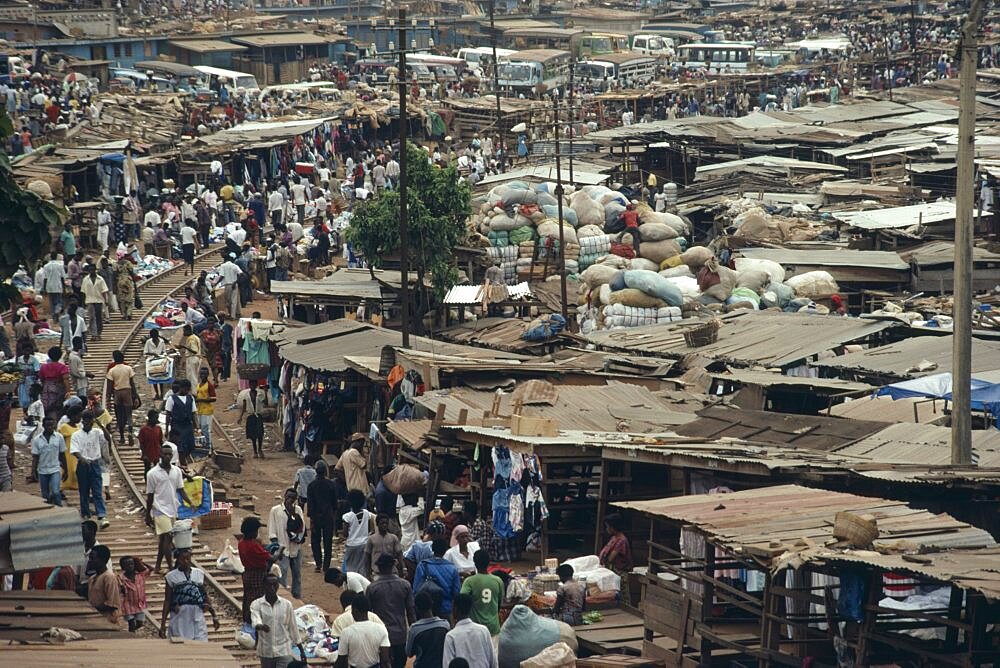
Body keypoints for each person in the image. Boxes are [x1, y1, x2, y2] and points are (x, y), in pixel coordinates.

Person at [146, 444, 191, 572]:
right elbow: (150, 495)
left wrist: (190, 502)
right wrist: (148, 514)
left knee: (164, 540)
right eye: (165, 454)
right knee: (167, 536)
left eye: (169, 454)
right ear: (160, 455)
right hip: (159, 508)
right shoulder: (152, 474)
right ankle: (171, 567)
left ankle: (158, 565)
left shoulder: (176, 471)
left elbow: (180, 489)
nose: (167, 456)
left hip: (172, 508)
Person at [366, 553, 416, 668]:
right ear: (393, 565)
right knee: (399, 663)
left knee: (384, 663)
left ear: (378, 568)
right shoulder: (405, 585)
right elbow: (411, 612)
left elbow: (368, 614)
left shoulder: (372, 588)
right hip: (400, 634)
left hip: (380, 635)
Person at [162, 546, 220, 640]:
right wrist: (163, 624)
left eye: (188, 559)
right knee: (181, 644)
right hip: (180, 615)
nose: (185, 561)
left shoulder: (198, 574)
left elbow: (204, 595)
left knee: (200, 641)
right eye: (182, 559)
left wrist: (214, 615)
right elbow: (168, 600)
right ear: (178, 560)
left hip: (197, 613)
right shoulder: (171, 577)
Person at [251, 573, 305, 668]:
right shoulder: (256, 604)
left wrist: (301, 650)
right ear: (264, 586)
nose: (272, 588)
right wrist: (261, 626)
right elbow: (255, 620)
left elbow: (293, 628)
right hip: (266, 651)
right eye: (269, 585)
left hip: (283, 650)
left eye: (275, 584)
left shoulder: (286, 605)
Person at [71, 410, 108, 527]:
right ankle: (86, 514)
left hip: (95, 464)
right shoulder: (76, 435)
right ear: (83, 421)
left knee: (97, 490)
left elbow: (107, 438)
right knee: (84, 491)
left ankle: (101, 515)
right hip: (83, 465)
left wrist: (101, 425)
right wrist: (82, 459)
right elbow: (75, 451)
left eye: (90, 421)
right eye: (85, 421)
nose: (87, 423)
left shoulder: (97, 432)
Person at [335, 594, 391, 668]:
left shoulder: (346, 632)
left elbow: (341, 660)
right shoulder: (381, 629)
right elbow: (385, 660)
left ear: (355, 610)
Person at [268, 488, 305, 600]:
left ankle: (296, 596)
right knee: (282, 573)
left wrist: (298, 538)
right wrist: (276, 545)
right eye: (288, 497)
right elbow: (272, 528)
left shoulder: (298, 510)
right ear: (285, 496)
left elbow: (302, 527)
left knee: (297, 574)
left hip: (295, 547)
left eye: (293, 498)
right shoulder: (276, 510)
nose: (290, 500)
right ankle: (282, 596)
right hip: (282, 547)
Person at [443, 593, 497, 668]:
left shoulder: (451, 636)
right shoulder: (483, 631)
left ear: (455, 609)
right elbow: (493, 662)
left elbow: (447, 665)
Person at [239, 516, 275, 624]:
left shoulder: (241, 543)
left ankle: (247, 618)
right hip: (257, 575)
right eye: (256, 531)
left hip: (247, 574)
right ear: (252, 532)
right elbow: (271, 558)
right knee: (258, 598)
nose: (257, 533)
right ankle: (256, 620)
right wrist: (280, 551)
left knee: (248, 597)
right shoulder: (253, 545)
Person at [412, 538, 461, 618]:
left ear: (432, 549)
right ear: (445, 550)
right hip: (446, 610)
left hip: (427, 612)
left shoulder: (423, 565)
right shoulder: (452, 568)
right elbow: (456, 593)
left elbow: (416, 590)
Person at [460, 550, 503, 636]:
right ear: (489, 562)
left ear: (475, 562)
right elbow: (499, 603)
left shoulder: (469, 581)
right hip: (493, 627)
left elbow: (462, 599)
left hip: (476, 628)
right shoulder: (498, 580)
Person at [307, 460, 340, 572]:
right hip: (328, 516)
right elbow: (334, 503)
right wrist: (334, 517)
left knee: (315, 541)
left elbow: (310, 504)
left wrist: (311, 520)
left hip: (316, 517)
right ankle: (326, 566)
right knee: (327, 541)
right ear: (325, 471)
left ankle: (318, 564)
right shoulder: (331, 484)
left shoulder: (311, 486)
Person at [405, 591, 449, 668]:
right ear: (432, 604)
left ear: (417, 608)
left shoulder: (414, 629)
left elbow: (409, 652)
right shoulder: (445, 625)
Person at [105, 350, 137, 446]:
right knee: (129, 415)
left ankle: (122, 437)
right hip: (127, 391)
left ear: (114, 359)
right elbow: (132, 383)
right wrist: (135, 396)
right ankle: (130, 433)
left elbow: (109, 386)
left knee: (119, 416)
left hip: (117, 393)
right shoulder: (128, 368)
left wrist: (108, 398)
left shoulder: (112, 370)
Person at [85, 544, 121, 627]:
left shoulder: (109, 577)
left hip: (107, 620)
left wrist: (93, 609)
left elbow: (112, 604)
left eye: (93, 558)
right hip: (94, 619)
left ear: (103, 560)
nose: (90, 561)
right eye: (89, 558)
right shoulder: (92, 578)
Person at [31, 415, 65, 505]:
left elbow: (62, 454)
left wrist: (66, 469)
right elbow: (35, 457)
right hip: (42, 471)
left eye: (52, 425)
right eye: (48, 425)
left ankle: (59, 509)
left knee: (56, 492)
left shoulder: (59, 437)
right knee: (45, 495)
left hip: (55, 469)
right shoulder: (37, 440)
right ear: (43, 426)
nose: (50, 428)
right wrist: (33, 472)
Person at [598, 514, 632, 601]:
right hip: (613, 571)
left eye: (608, 527)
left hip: (619, 572)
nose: (607, 529)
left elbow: (611, 558)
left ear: (613, 527)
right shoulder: (614, 538)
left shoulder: (621, 540)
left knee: (622, 597)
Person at [342, 488, 374, 576]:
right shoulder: (367, 513)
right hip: (364, 543)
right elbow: (368, 529)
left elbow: (345, 533)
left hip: (352, 544)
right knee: (363, 567)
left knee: (350, 568)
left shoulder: (347, 516)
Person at [165, 379, 196, 465]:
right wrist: (167, 429)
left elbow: (193, 413)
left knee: (190, 445)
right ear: (181, 388)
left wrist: (197, 427)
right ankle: (182, 464)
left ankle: (183, 460)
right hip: (177, 426)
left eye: (188, 390)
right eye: (185, 389)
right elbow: (168, 414)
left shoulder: (190, 398)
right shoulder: (171, 399)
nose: (187, 391)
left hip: (188, 426)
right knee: (180, 446)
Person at [118, 555, 151, 632]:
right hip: (127, 605)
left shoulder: (140, 575)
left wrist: (141, 563)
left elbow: (151, 569)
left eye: (132, 564)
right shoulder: (121, 578)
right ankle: (132, 637)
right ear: (123, 567)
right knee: (131, 623)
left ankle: (130, 633)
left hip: (139, 604)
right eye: (127, 565)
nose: (130, 566)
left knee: (140, 623)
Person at [366, 513, 404, 577]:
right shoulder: (371, 539)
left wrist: (404, 568)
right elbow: (367, 556)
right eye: (382, 523)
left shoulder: (393, 538)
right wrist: (368, 572)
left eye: (386, 523)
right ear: (377, 524)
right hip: (377, 572)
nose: (384, 525)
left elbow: (399, 553)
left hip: (391, 571)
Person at [238, 382, 267, 458]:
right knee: (253, 435)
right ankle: (255, 451)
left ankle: (260, 449)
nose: (252, 386)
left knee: (260, 433)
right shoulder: (246, 395)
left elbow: (265, 403)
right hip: (250, 416)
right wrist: (240, 417)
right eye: (251, 385)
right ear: (250, 386)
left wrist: (266, 392)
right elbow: (244, 407)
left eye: (254, 385)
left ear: (256, 385)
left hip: (258, 416)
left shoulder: (260, 394)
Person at [81, 264, 109, 342]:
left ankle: (98, 333)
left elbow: (104, 291)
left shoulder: (100, 279)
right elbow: (83, 292)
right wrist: (83, 303)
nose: (92, 271)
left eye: (93, 270)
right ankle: (94, 334)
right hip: (89, 301)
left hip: (98, 301)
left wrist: (106, 300)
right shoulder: (85, 279)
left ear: (95, 270)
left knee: (99, 318)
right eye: (90, 270)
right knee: (91, 318)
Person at [215, 252, 243, 320]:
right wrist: (236, 281)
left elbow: (222, 276)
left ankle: (231, 314)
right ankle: (233, 315)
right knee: (234, 300)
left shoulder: (223, 266)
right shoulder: (234, 265)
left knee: (228, 301)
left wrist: (216, 283)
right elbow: (241, 274)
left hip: (227, 285)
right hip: (234, 284)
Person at [194, 367, 216, 454]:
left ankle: (209, 448)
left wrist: (201, 400)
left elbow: (214, 398)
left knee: (207, 430)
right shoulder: (199, 384)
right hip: (199, 410)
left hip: (207, 410)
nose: (202, 376)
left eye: (204, 374)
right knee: (202, 430)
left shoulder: (209, 385)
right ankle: (205, 446)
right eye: (201, 374)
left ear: (207, 375)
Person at [41, 252, 67, 317]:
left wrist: (44, 288)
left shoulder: (46, 266)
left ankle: (53, 315)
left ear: (50, 257)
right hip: (58, 286)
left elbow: (45, 278)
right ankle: (57, 313)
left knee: (51, 302)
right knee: (58, 301)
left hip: (49, 287)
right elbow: (62, 278)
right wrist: (64, 288)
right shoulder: (60, 266)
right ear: (56, 257)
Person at [198, 318, 223, 385]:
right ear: (207, 324)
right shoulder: (204, 332)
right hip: (207, 352)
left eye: (212, 323)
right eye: (209, 324)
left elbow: (220, 340)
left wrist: (220, 349)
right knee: (208, 367)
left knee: (215, 366)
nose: (211, 325)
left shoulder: (217, 332)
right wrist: (204, 348)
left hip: (215, 351)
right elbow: (200, 340)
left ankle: (216, 381)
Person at [138, 409, 163, 474]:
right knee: (147, 469)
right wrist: (144, 454)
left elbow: (160, 442)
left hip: (156, 452)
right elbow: (141, 443)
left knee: (157, 469)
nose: (156, 420)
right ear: (150, 418)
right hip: (147, 452)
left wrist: (161, 452)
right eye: (155, 418)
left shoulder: (158, 429)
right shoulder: (143, 430)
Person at [114, 256, 136, 320]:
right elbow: (132, 272)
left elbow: (114, 274)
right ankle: (129, 313)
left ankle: (124, 314)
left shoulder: (116, 264)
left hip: (120, 282)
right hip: (128, 281)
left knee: (121, 299)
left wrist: (114, 285)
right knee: (129, 298)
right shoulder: (128, 263)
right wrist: (134, 282)